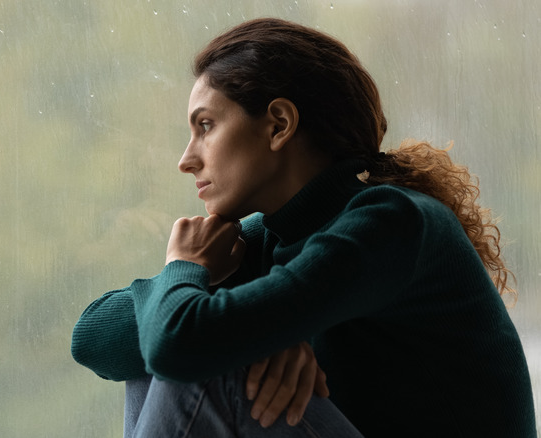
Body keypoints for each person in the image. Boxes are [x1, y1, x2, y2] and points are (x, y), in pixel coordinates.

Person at [71, 18, 536, 437]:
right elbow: (91, 339)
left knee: (196, 352)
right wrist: (228, 305)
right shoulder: (265, 238)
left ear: (278, 125)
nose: (186, 159)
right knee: (157, 350)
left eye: (206, 125)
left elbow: (180, 347)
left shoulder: (391, 222)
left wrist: (185, 268)